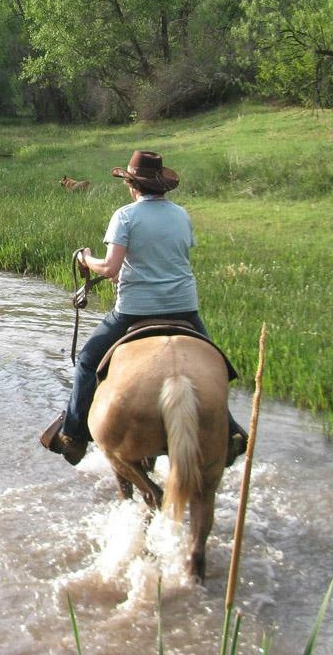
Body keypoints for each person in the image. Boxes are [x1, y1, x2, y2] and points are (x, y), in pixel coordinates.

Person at [40, 150, 247, 466]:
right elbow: (169, 257)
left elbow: (110, 268)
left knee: (86, 361)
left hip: (134, 310)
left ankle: (73, 434)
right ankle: (230, 431)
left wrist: (84, 258)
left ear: (131, 184)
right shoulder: (181, 215)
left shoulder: (125, 216)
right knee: (218, 366)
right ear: (161, 185)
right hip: (184, 307)